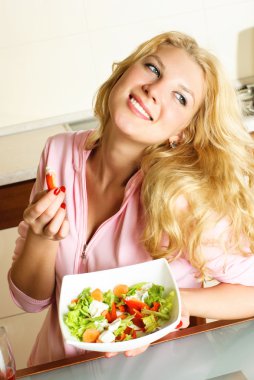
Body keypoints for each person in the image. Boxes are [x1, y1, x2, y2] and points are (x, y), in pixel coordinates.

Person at [8, 31, 254, 366]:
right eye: (153, 69)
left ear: (181, 131)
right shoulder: (59, 153)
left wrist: (175, 301)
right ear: (125, 72)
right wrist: (41, 237)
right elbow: (31, 300)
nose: (153, 90)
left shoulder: (182, 197)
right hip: (55, 369)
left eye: (180, 98)